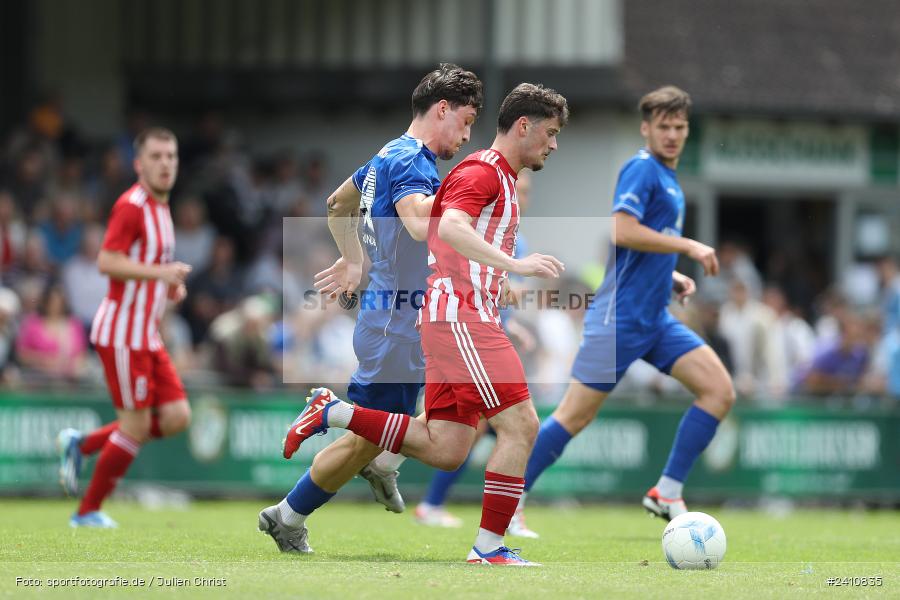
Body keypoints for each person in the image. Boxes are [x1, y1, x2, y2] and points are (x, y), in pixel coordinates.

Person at [282, 83, 569, 566]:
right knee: (520, 424)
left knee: (448, 447)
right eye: (552, 132)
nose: (555, 144)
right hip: (437, 316)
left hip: (432, 313)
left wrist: (493, 280)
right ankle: (487, 547)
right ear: (524, 126)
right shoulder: (456, 167)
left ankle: (333, 423)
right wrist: (514, 265)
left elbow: (342, 204)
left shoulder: (416, 160)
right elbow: (441, 226)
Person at [258, 64, 484, 554]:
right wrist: (470, 195)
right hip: (395, 324)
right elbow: (419, 223)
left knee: (394, 427)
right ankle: (295, 509)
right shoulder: (413, 163)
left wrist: (354, 260)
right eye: (465, 122)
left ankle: (375, 466)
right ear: (442, 108)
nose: (467, 137)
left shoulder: (386, 155)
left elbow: (336, 203)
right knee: (370, 435)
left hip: (397, 318)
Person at [515, 86, 736, 533]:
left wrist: (670, 274)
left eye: (679, 126)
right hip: (618, 320)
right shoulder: (642, 169)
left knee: (719, 391)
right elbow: (622, 230)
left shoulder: (668, 178)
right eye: (663, 126)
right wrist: (687, 246)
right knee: (573, 417)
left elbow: (642, 249)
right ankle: (509, 501)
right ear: (646, 128)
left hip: (654, 319)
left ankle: (666, 492)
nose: (672, 134)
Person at [56, 128, 193, 528]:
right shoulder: (131, 206)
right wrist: (161, 273)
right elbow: (107, 261)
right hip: (122, 334)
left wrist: (169, 287)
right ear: (138, 164)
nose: (165, 163)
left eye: (171, 156)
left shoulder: (162, 208)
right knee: (135, 425)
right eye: (156, 156)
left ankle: (83, 444)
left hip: (146, 334)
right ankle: (87, 511)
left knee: (177, 416)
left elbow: (148, 270)